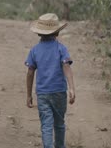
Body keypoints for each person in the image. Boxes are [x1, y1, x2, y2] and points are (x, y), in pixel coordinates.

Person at [25, 13, 75, 148]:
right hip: (59, 92)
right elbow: (66, 66)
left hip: (42, 94)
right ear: (57, 32)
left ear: (38, 33)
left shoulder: (34, 51)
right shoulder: (61, 48)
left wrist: (29, 94)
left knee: (46, 125)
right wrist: (71, 88)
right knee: (59, 123)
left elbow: (30, 73)